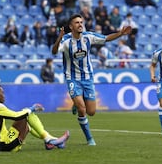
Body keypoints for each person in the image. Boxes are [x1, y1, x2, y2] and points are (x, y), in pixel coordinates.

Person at [52, 14, 132, 145]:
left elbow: (106, 38)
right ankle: (89, 138)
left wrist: (120, 33)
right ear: (71, 26)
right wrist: (59, 37)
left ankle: (77, 102)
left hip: (87, 78)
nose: (80, 24)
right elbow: (54, 51)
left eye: (81, 22)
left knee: (91, 112)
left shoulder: (88, 37)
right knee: (82, 110)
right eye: (77, 22)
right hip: (72, 78)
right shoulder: (66, 41)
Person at [0, 83, 70, 152]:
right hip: (4, 146)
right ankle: (49, 140)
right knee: (26, 115)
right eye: (2, 93)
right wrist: (32, 108)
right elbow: (17, 116)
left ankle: (51, 141)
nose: (4, 95)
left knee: (26, 120)